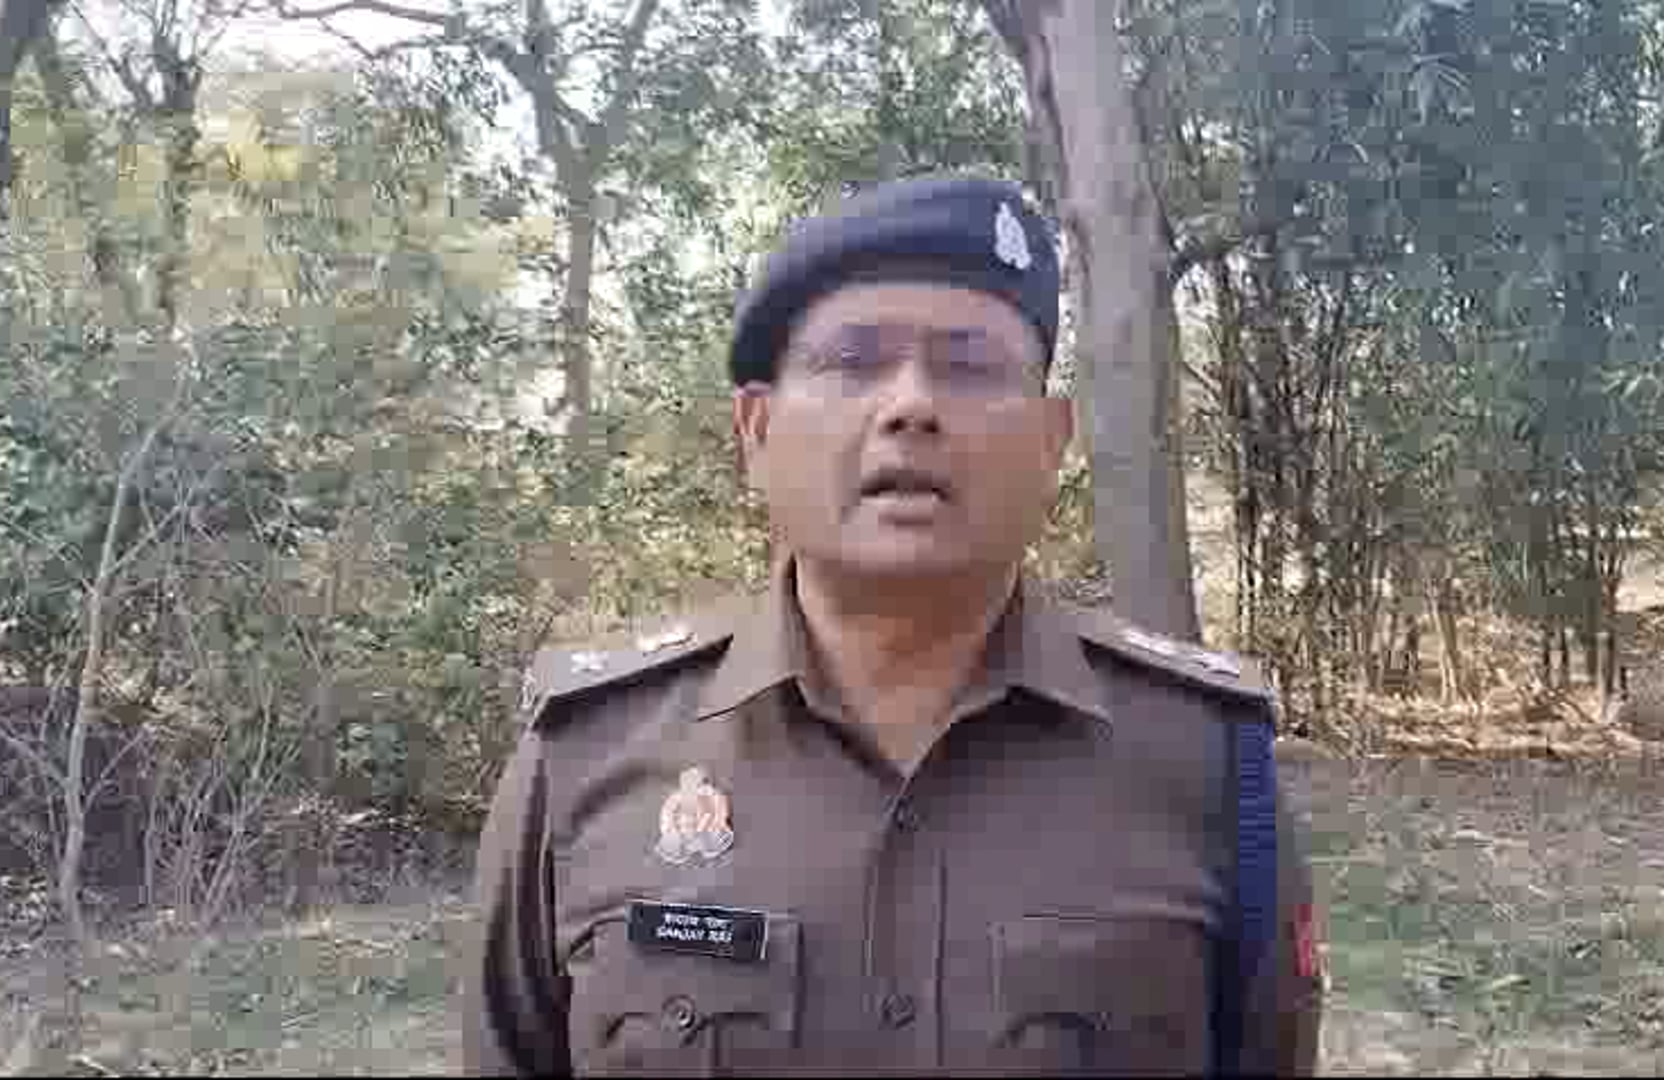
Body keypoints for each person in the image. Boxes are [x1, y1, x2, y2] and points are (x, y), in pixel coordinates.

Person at [462, 174, 1324, 1076]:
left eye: (971, 366)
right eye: (853, 362)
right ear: (756, 432)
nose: (911, 406)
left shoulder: (1206, 760)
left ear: (1050, 441)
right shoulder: (586, 753)